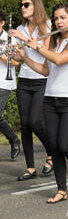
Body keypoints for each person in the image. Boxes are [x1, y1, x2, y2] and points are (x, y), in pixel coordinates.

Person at [16, 3, 68, 203]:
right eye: (56, 18)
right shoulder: (53, 44)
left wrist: (37, 46)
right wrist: (24, 58)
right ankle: (61, 190)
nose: (59, 21)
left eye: (63, 18)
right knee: (55, 147)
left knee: (65, 145)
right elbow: (46, 70)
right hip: (50, 99)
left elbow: (59, 60)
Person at [9, 0, 54, 180]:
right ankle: (30, 167)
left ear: (36, 6)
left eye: (26, 4)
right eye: (21, 5)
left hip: (42, 79)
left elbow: (45, 50)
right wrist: (15, 54)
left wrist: (23, 37)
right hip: (25, 79)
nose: (22, 7)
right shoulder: (20, 28)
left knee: (35, 122)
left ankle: (53, 153)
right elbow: (20, 58)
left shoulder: (46, 25)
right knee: (26, 125)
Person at [0, 10, 21, 160]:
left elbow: (15, 62)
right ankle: (14, 139)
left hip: (3, 81)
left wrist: (1, 56)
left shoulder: (10, 39)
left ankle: (13, 139)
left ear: (2, 23)